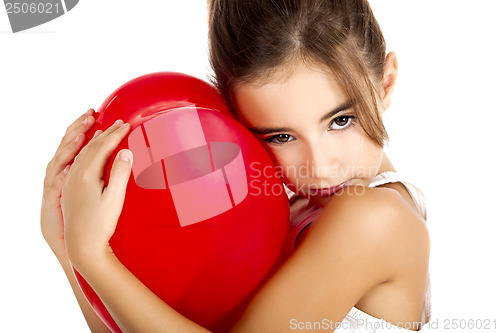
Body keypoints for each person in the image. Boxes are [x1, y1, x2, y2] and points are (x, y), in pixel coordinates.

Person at [41, 0, 431, 331]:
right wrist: (68, 245)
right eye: (281, 136)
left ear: (386, 82)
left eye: (340, 120)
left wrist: (93, 256)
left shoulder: (373, 218)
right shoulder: (291, 209)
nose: (320, 168)